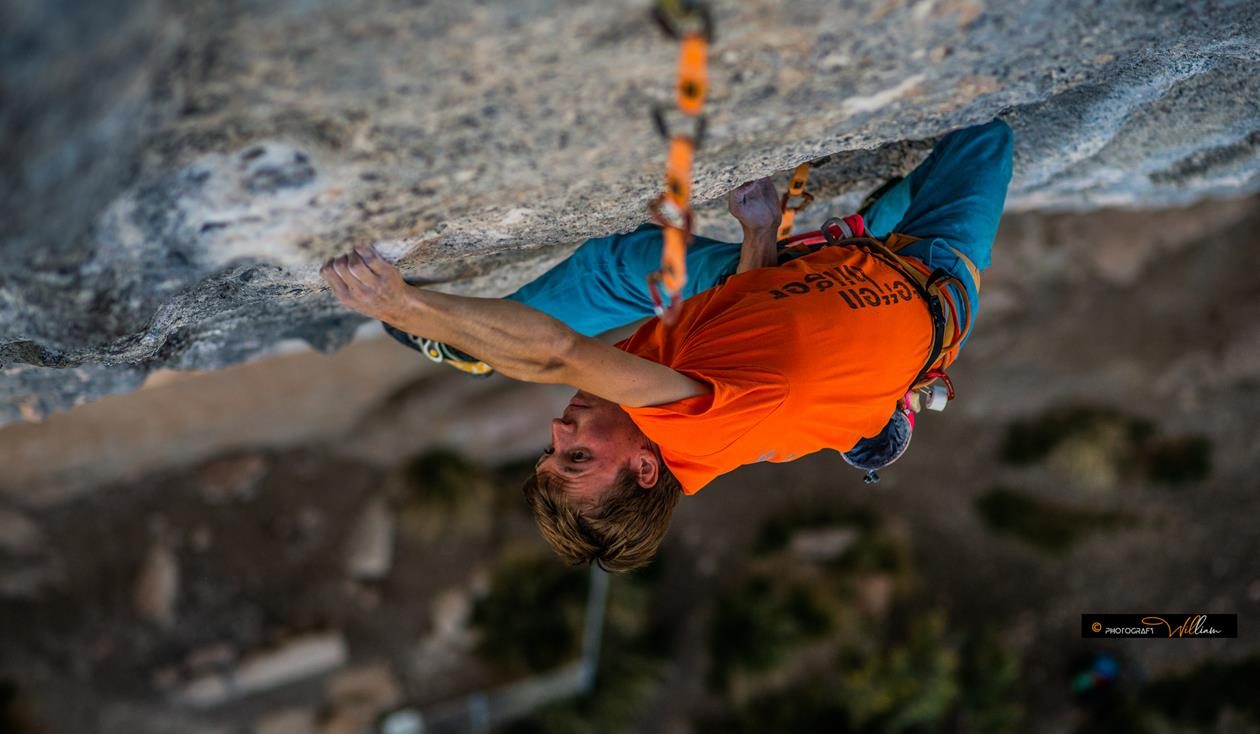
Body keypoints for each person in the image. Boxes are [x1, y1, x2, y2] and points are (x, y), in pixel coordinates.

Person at [320, 119, 1014, 572]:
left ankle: (875, 408)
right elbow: (556, 353)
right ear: (647, 470)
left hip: (811, 291)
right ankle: (475, 349)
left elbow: (749, 330)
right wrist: (405, 303)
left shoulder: (695, 435)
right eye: (578, 455)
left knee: (648, 269)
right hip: (933, 276)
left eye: (551, 453)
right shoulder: (684, 421)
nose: (559, 430)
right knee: (987, 137)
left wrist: (759, 236)